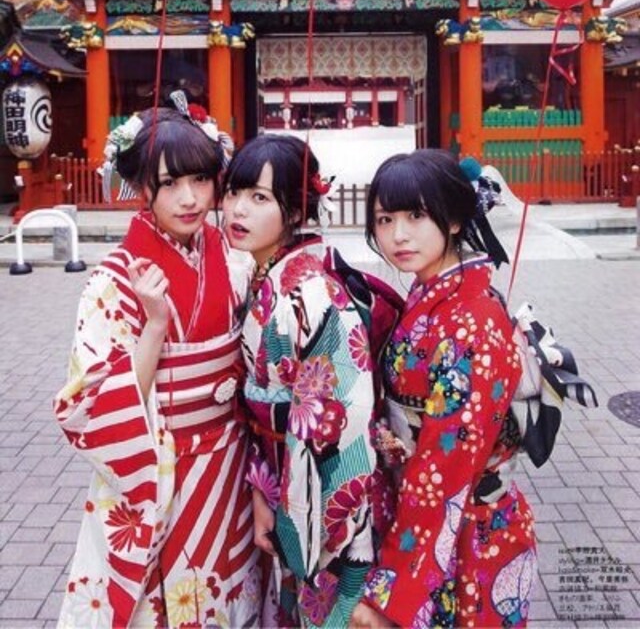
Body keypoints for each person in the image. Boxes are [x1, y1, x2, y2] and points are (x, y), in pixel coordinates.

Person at [54, 95, 261, 628]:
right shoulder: (112, 282)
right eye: (169, 183)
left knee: (231, 585)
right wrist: (153, 324)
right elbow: (92, 407)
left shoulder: (234, 259)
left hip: (230, 461)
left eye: (200, 179)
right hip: (162, 467)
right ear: (142, 187)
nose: (189, 198)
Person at [349, 149, 536, 628]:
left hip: (466, 530)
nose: (398, 234)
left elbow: (444, 465)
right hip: (429, 519)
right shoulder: (429, 293)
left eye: (416, 215)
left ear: (453, 219)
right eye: (385, 219)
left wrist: (393, 594)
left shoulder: (472, 320)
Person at [220, 134, 387, 627]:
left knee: (330, 611)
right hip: (287, 481)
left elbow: (340, 417)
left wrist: (303, 523)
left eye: (259, 197)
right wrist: (264, 490)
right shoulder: (267, 277)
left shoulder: (311, 292)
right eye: (233, 193)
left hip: (325, 501)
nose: (237, 209)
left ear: (294, 212)